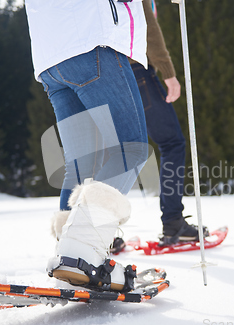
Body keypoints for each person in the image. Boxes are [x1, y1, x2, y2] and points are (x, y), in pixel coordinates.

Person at [25, 0, 149, 292]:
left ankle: (69, 256)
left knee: (82, 161)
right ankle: (82, 251)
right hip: (92, 41)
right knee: (131, 148)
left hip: (50, 58)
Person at [129, 0, 208, 246]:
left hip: (107, 73)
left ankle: (100, 233)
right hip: (138, 70)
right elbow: (148, 28)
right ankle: (174, 223)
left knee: (114, 151)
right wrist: (168, 72)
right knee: (172, 143)